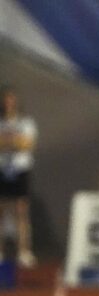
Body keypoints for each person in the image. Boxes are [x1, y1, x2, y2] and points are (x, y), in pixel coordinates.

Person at [0, 85, 38, 268]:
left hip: (20, 169)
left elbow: (27, 144)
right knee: (1, 211)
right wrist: (14, 141)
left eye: (12, 99)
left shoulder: (26, 123)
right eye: (6, 99)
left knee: (21, 210)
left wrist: (8, 141)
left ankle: (24, 252)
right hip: (2, 169)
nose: (9, 103)